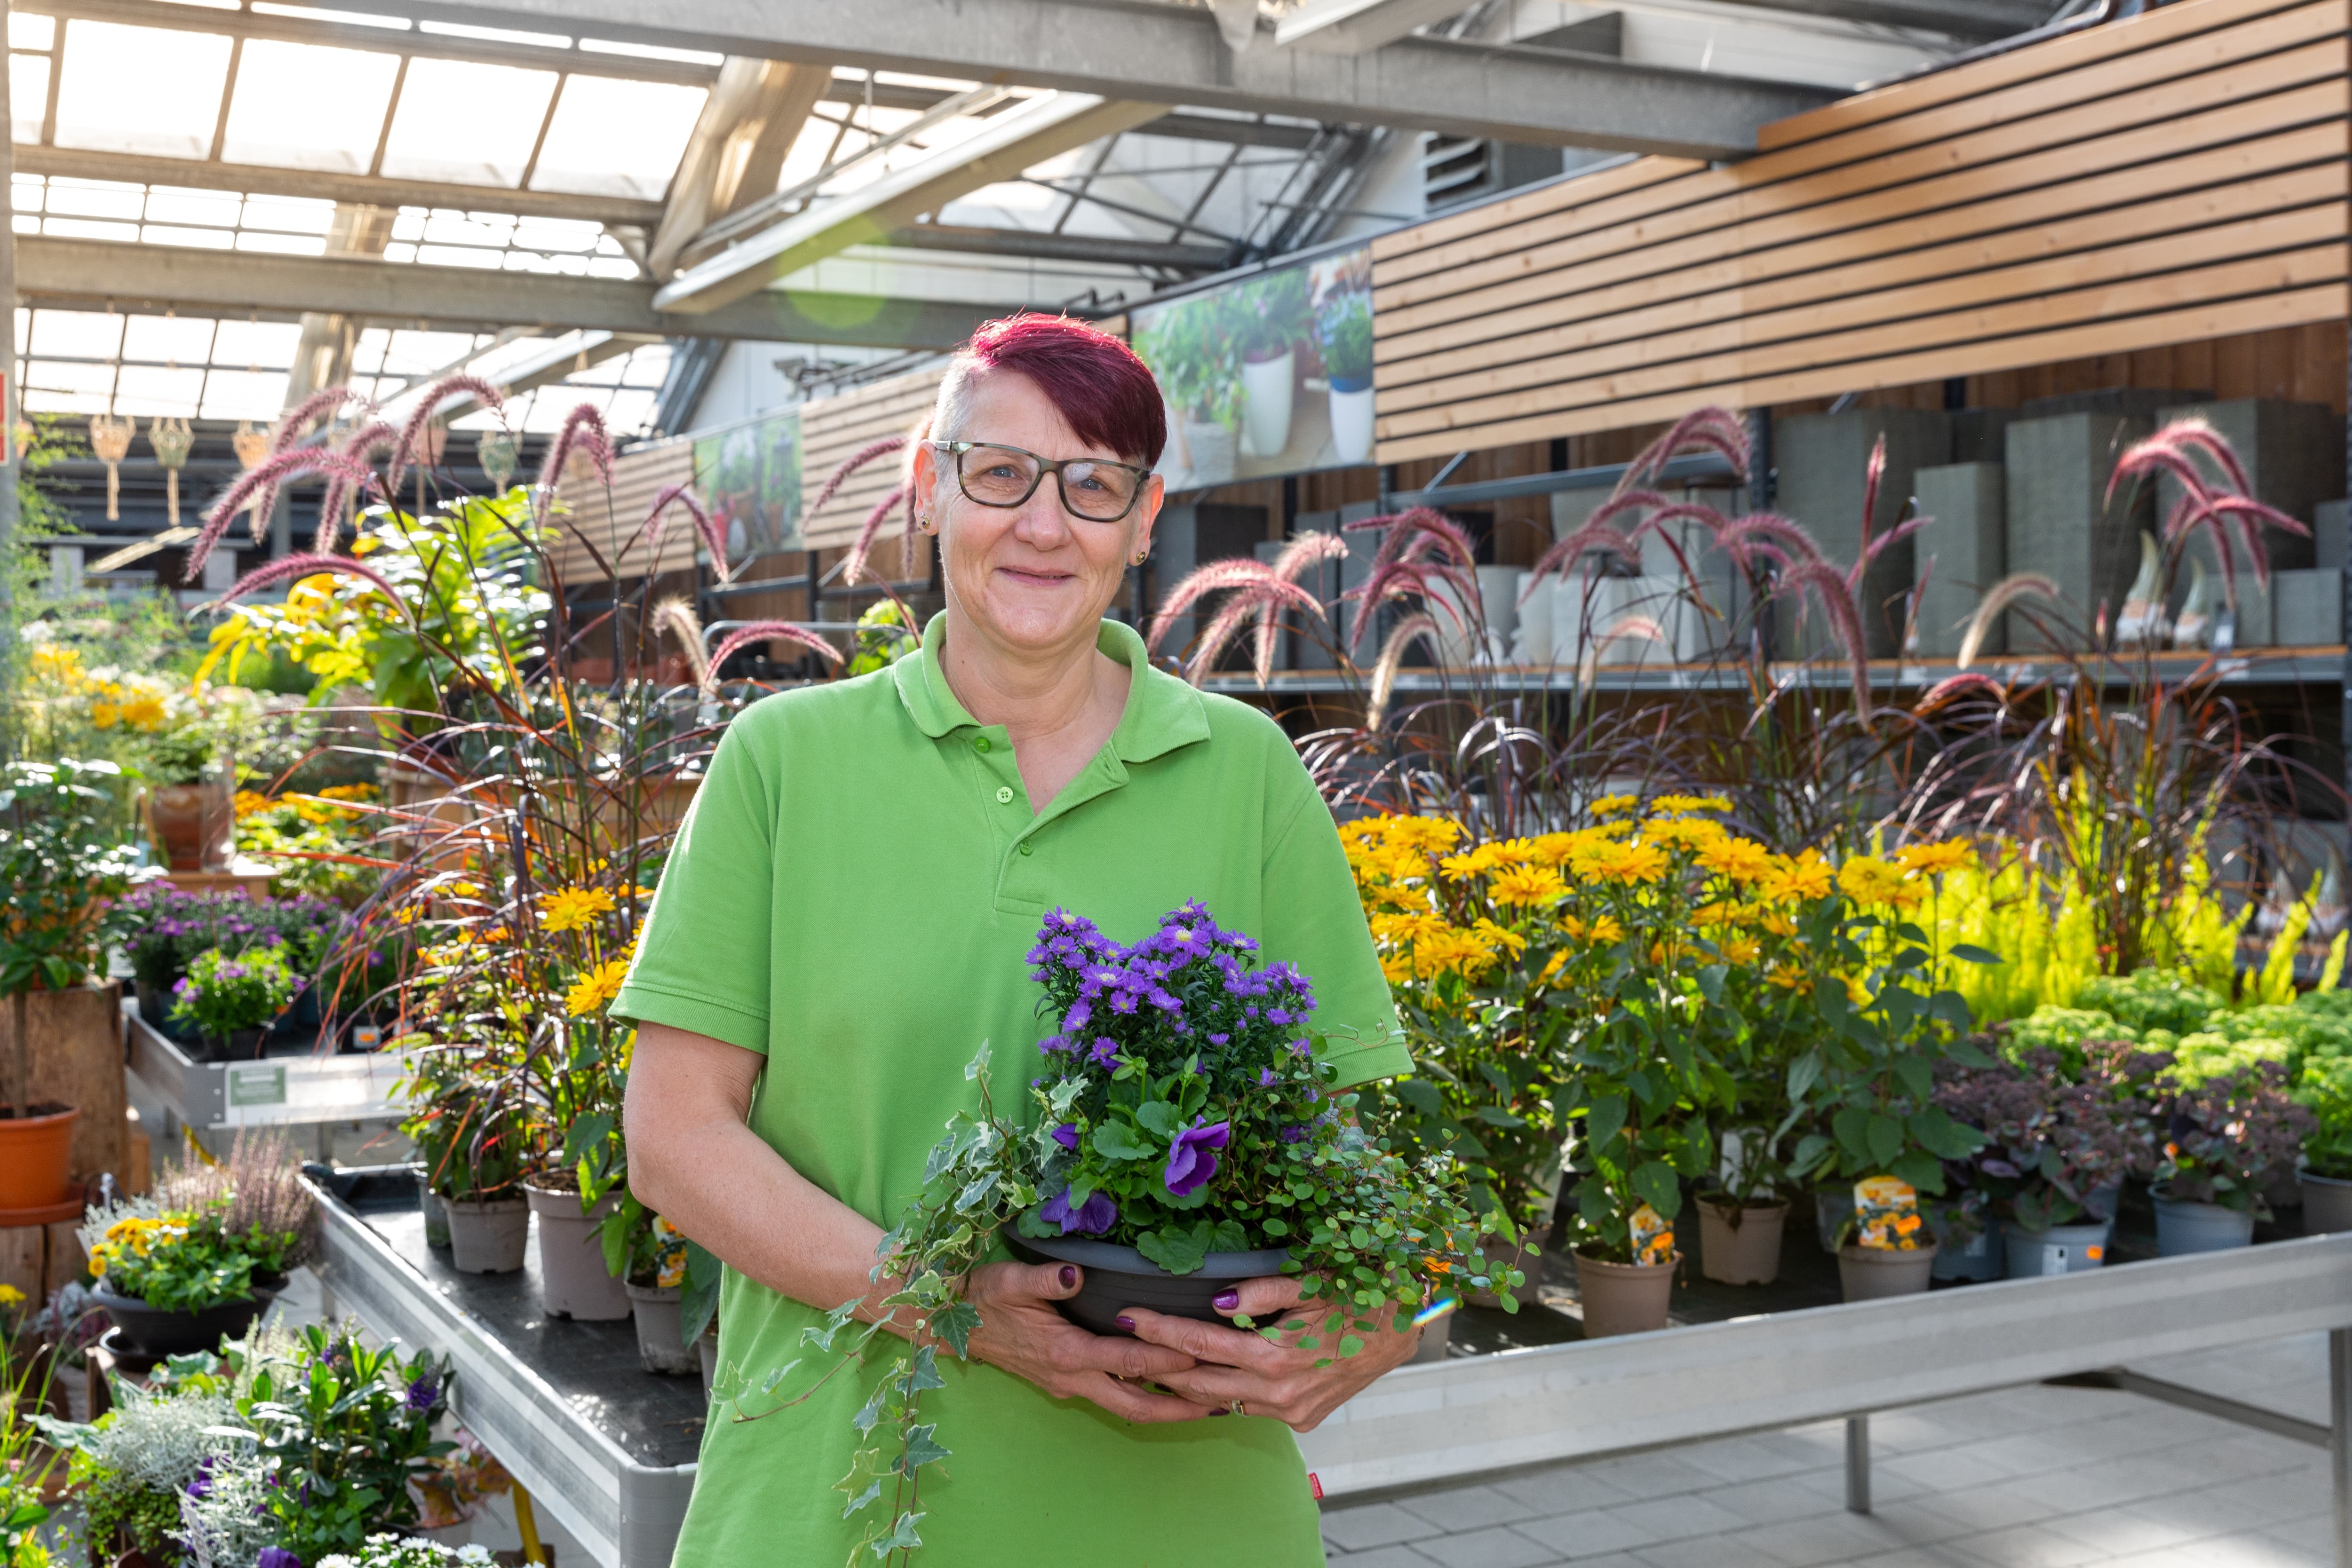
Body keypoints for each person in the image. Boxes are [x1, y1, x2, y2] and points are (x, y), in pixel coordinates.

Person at [619, 313, 1419, 1566]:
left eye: (1094, 485)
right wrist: (953, 1305)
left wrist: (1380, 1312)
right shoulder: (787, 765)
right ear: (929, 490)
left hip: (1182, 1523)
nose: (1044, 526)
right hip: (837, 1514)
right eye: (1000, 474)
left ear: (1148, 519)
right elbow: (673, 1140)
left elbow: (1349, 1143)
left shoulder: (1246, 773)